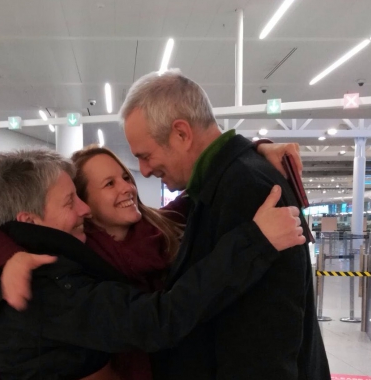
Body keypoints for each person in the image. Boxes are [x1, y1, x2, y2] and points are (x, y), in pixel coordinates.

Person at [0, 147, 304, 380]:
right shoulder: (51, 282)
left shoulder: (153, 230)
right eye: (73, 201)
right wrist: (256, 242)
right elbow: (159, 319)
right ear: (30, 220)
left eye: (124, 176)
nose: (82, 209)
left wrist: (245, 150)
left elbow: (198, 195)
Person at [119, 69, 331, 379]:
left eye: (146, 156)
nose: (144, 170)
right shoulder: (224, 182)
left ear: (181, 133)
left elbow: (266, 336)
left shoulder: (247, 188)